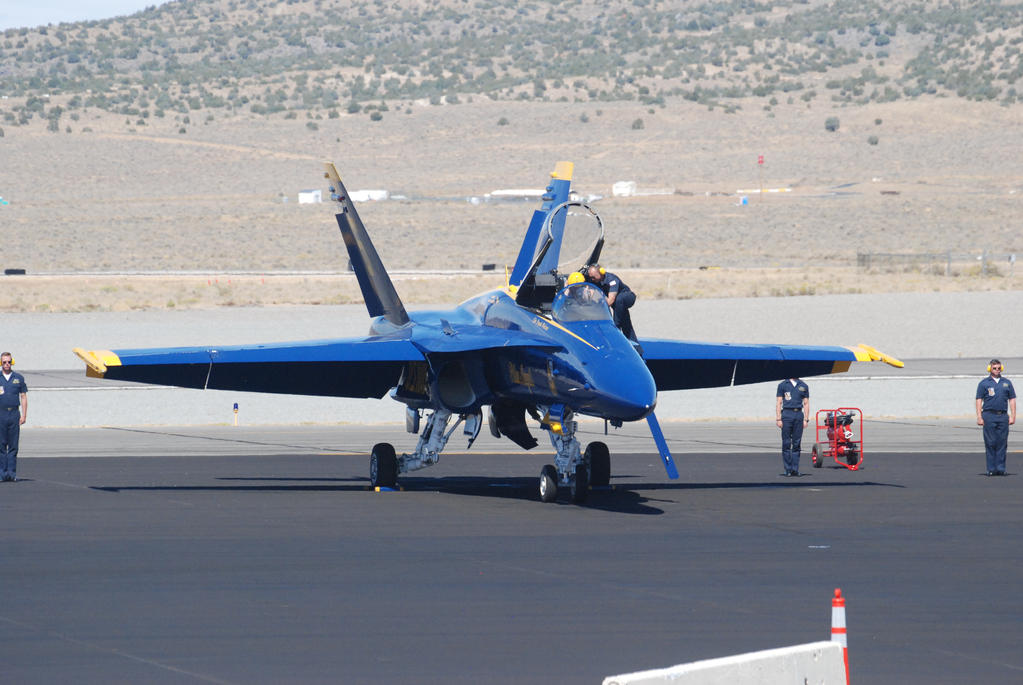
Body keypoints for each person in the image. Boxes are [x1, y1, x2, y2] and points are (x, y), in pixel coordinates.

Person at [975, 359, 1016, 476]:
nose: (997, 370)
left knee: (1002, 443)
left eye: (999, 368)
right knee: (990, 442)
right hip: (989, 415)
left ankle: (1001, 468)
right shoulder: (984, 383)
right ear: (990, 369)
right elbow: (979, 400)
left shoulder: (1007, 383)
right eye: (994, 368)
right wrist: (979, 416)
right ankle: (991, 469)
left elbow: (1012, 399)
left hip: (1002, 416)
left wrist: (1013, 416)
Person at [585, 264, 637, 341]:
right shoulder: (594, 281)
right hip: (618, 305)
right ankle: (636, 349)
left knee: (620, 299)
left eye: (593, 277)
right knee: (625, 322)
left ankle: (616, 327)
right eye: (590, 277)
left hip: (627, 297)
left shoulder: (612, 280)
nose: (592, 279)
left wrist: (597, 293)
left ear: (601, 272)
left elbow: (609, 302)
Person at [0, 352, 27, 482]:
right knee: (1, 445)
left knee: (13, 446)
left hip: (14, 414)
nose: (7, 364)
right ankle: (2, 474)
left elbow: (23, 396)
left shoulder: (18, 378)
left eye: (9, 362)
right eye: (4, 362)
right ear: (1, 363)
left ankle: (11, 473)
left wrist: (24, 415)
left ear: (12, 362)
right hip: (1, 413)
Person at [775, 378, 809, 476]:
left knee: (797, 443)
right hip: (786, 414)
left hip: (798, 414)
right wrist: (778, 418)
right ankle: (787, 469)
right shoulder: (783, 385)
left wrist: (806, 419)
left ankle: (795, 469)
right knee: (786, 443)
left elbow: (806, 403)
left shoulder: (803, 385)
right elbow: (779, 402)